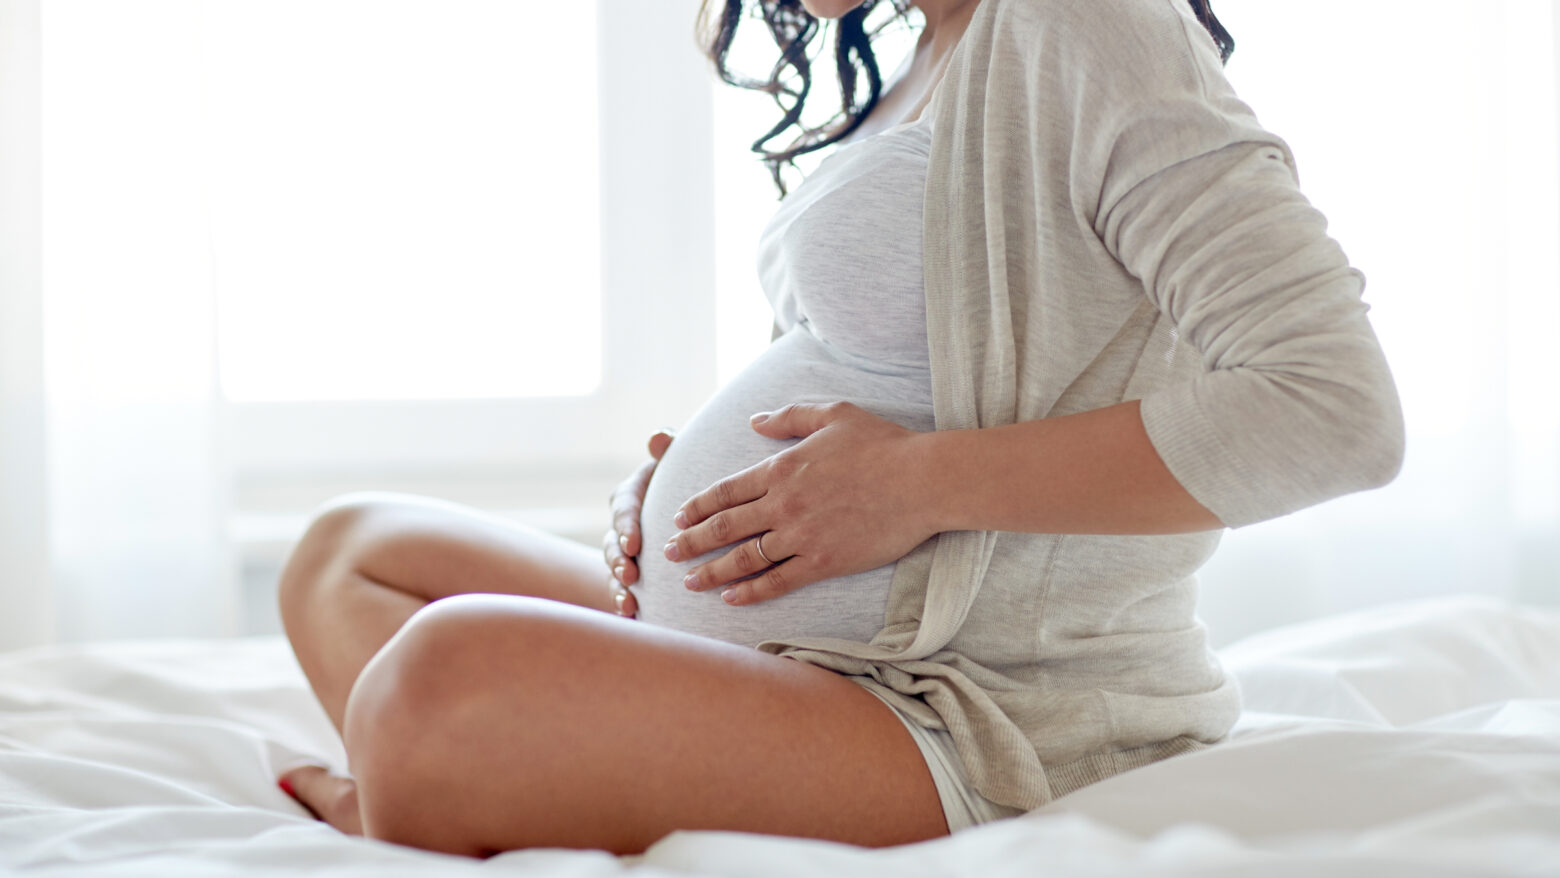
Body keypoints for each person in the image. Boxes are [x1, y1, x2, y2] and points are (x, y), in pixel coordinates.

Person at [274, 0, 1404, 858]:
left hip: (962, 701)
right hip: (780, 648)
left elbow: (1333, 406)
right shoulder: (921, 63)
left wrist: (913, 485)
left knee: (437, 680)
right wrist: (676, 494)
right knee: (349, 551)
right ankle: (450, 779)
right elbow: (880, 380)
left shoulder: (1086, 24)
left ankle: (403, 790)